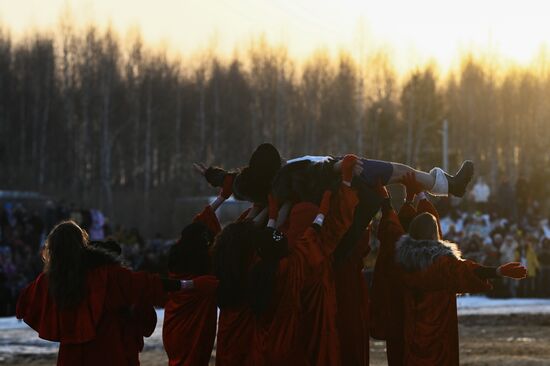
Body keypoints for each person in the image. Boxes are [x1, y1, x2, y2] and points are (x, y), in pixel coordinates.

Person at [371, 175, 527, 366]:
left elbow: (392, 230)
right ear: (436, 236)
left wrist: (390, 202)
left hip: (407, 340)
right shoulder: (443, 264)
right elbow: (469, 270)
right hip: (438, 345)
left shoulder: (399, 260)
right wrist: (497, 271)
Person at [16, 221, 197, 366]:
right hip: (109, 350)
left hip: (71, 357)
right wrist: (189, 284)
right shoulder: (105, 275)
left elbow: (25, 304)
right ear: (82, 244)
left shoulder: (48, 281)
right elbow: (146, 284)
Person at [162, 174, 233, 366]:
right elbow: (203, 223)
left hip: (173, 328)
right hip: (196, 334)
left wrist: (222, 197)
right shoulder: (208, 267)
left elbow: (197, 224)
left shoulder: (179, 255)